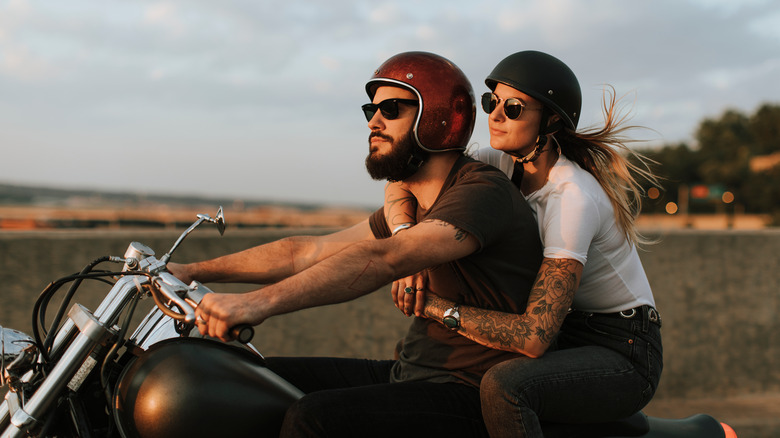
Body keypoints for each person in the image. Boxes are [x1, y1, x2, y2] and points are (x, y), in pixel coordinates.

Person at [168, 51, 543, 438]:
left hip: (466, 394)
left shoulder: (481, 192)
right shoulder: (412, 205)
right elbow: (306, 252)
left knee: (315, 417)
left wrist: (255, 304)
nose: (374, 122)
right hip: (409, 373)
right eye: (371, 110)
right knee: (242, 375)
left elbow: (385, 259)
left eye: (391, 108)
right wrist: (189, 271)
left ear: (437, 116)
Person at [384, 50, 663, 438]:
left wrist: (434, 307)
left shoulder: (571, 197)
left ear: (550, 119)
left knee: (505, 387)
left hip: (622, 349)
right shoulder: (495, 163)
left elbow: (533, 338)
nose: (495, 115)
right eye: (491, 102)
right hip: (566, 335)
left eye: (513, 107)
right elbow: (404, 175)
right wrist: (406, 245)